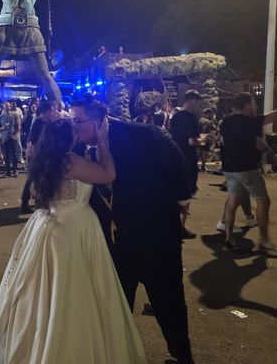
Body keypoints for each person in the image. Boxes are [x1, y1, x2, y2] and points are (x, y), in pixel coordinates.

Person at [0, 118, 146, 363]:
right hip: (74, 229)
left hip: (46, 226)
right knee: (76, 289)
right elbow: (109, 174)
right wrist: (103, 143)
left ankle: (43, 339)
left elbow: (36, 193)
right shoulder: (72, 162)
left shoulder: (41, 161)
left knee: (44, 290)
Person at [72, 99, 195, 364]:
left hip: (155, 236)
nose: (74, 128)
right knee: (116, 302)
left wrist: (181, 199)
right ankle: (119, 354)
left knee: (168, 299)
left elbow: (176, 164)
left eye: (77, 121)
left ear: (96, 121)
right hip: (112, 243)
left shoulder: (142, 134)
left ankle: (181, 355)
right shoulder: (80, 148)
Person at [220, 84, 277, 252]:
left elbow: (223, 142)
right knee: (263, 201)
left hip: (230, 169)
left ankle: (229, 237)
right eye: (253, 103)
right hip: (248, 168)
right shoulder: (252, 121)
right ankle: (264, 240)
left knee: (232, 202)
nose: (256, 106)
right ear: (246, 105)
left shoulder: (226, 122)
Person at [169, 90, 205, 239]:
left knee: (175, 193)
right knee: (187, 194)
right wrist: (204, 139)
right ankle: (181, 227)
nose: (198, 106)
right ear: (192, 100)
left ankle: (173, 225)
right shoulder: (190, 118)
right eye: (198, 102)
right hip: (188, 160)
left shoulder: (175, 116)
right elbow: (191, 141)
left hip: (175, 157)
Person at [19, 100, 56, 214]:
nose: (54, 112)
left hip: (45, 155)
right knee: (32, 179)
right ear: (46, 111)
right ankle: (25, 202)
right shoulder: (38, 123)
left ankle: (38, 201)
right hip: (38, 156)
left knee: (39, 179)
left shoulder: (48, 122)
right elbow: (32, 141)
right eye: (52, 110)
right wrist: (31, 156)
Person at [0, 101, 21, 177]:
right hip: (5, 138)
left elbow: (18, 126)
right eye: (6, 106)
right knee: (6, 155)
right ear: (3, 107)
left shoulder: (15, 115)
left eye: (8, 106)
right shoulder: (1, 117)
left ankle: (15, 170)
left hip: (13, 137)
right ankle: (7, 171)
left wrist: (15, 134)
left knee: (15, 155)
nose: (7, 107)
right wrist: (2, 128)